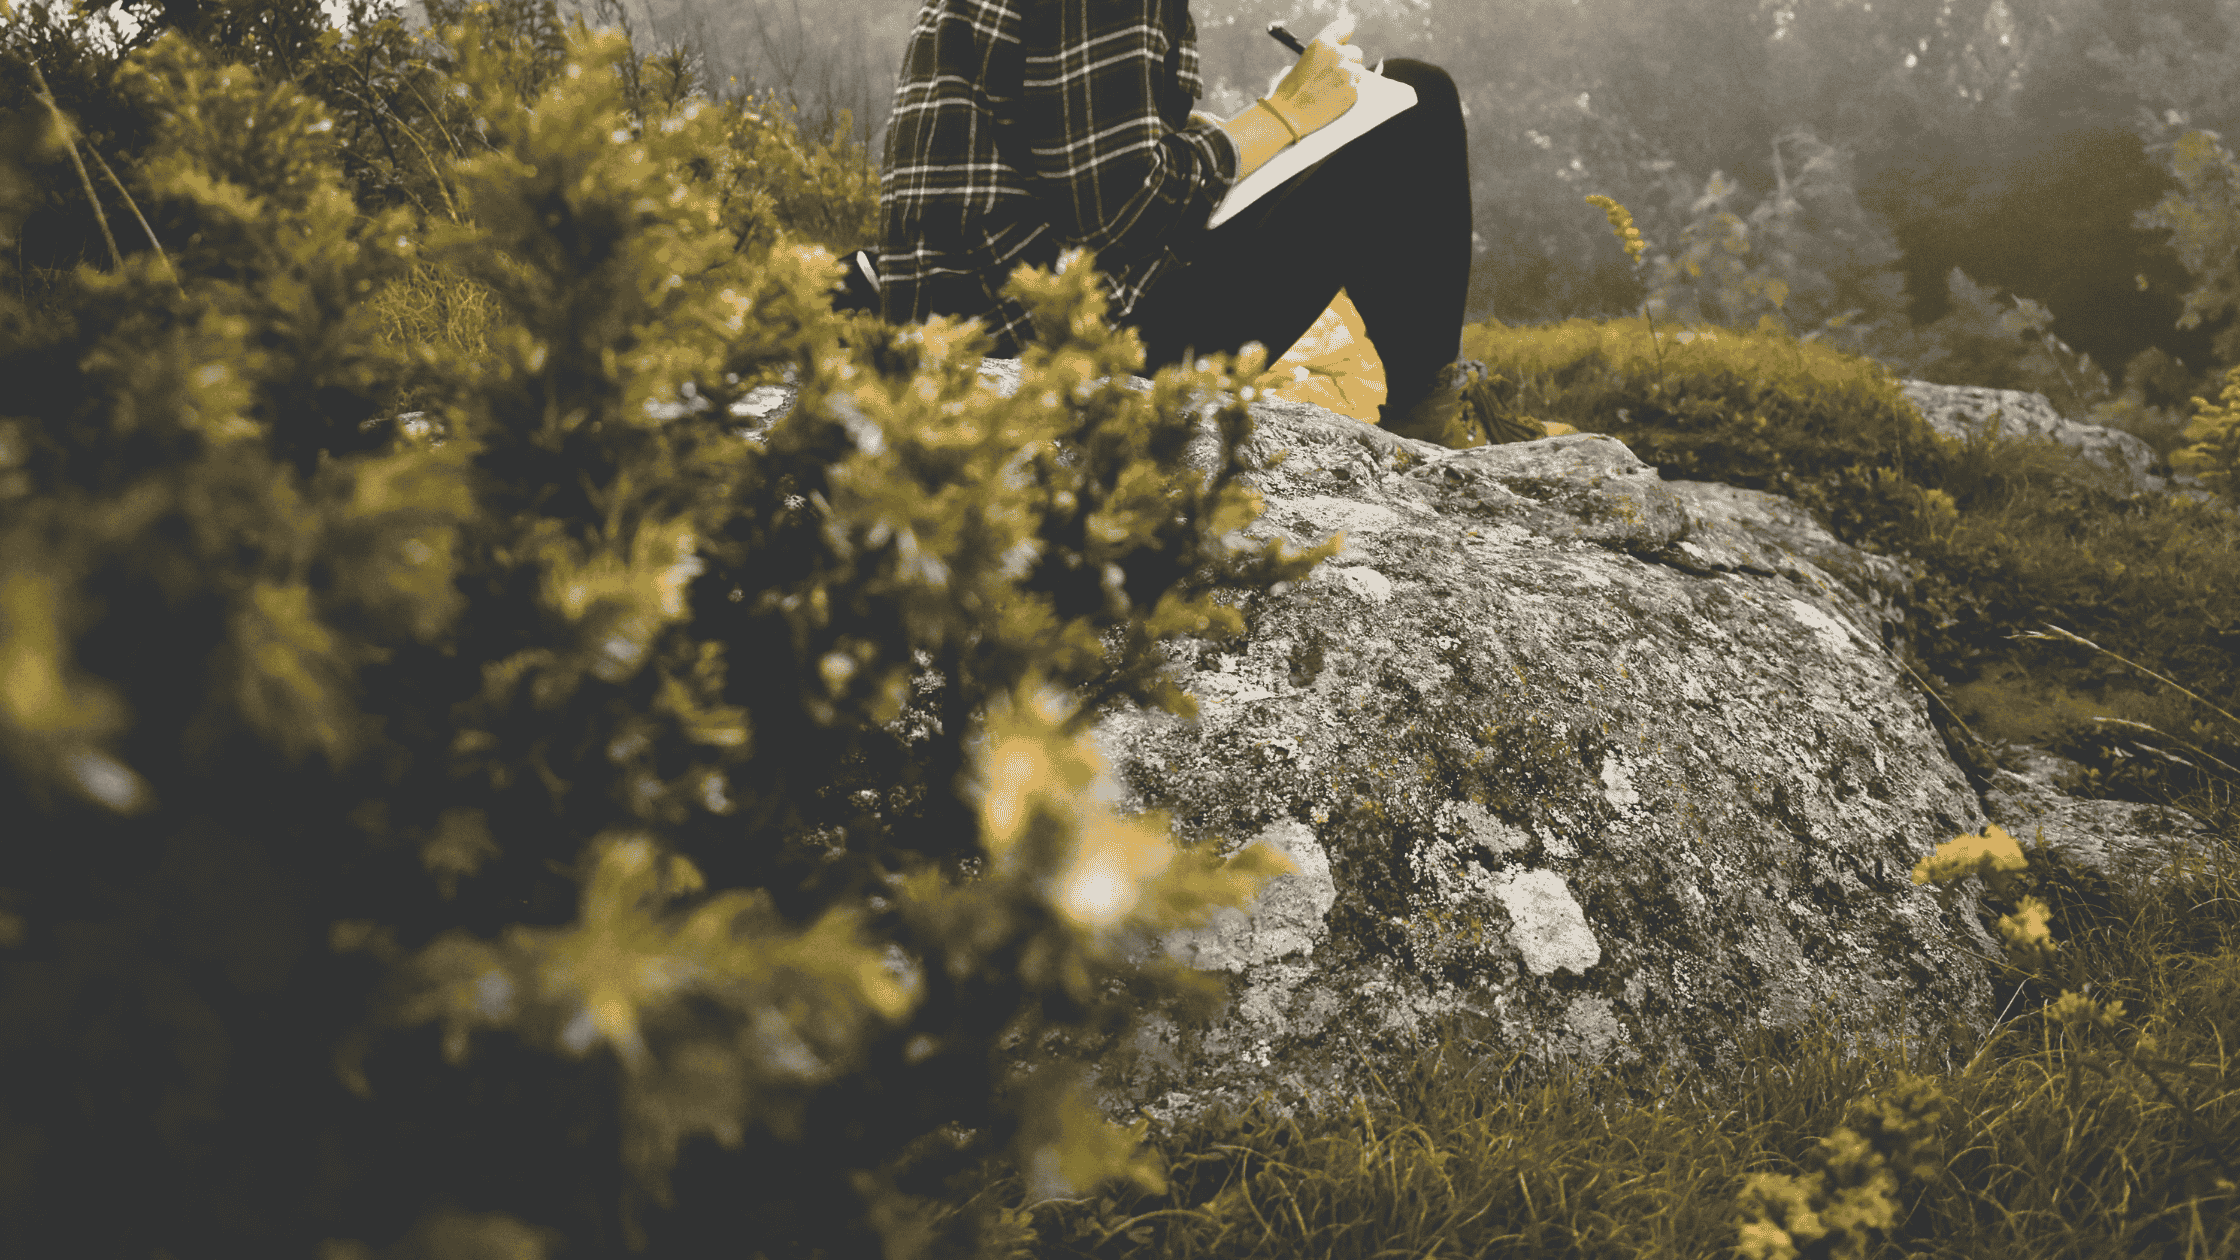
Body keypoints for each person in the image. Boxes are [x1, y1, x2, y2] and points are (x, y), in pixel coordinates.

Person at [874, 0, 1517, 448]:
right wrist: (1281, 116)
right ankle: (1425, 427)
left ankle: (1425, 415)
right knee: (1415, 103)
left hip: (966, 320)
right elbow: (1120, 209)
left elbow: (1055, 143)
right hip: (1055, 347)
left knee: (1388, 101)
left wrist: (1214, 140)